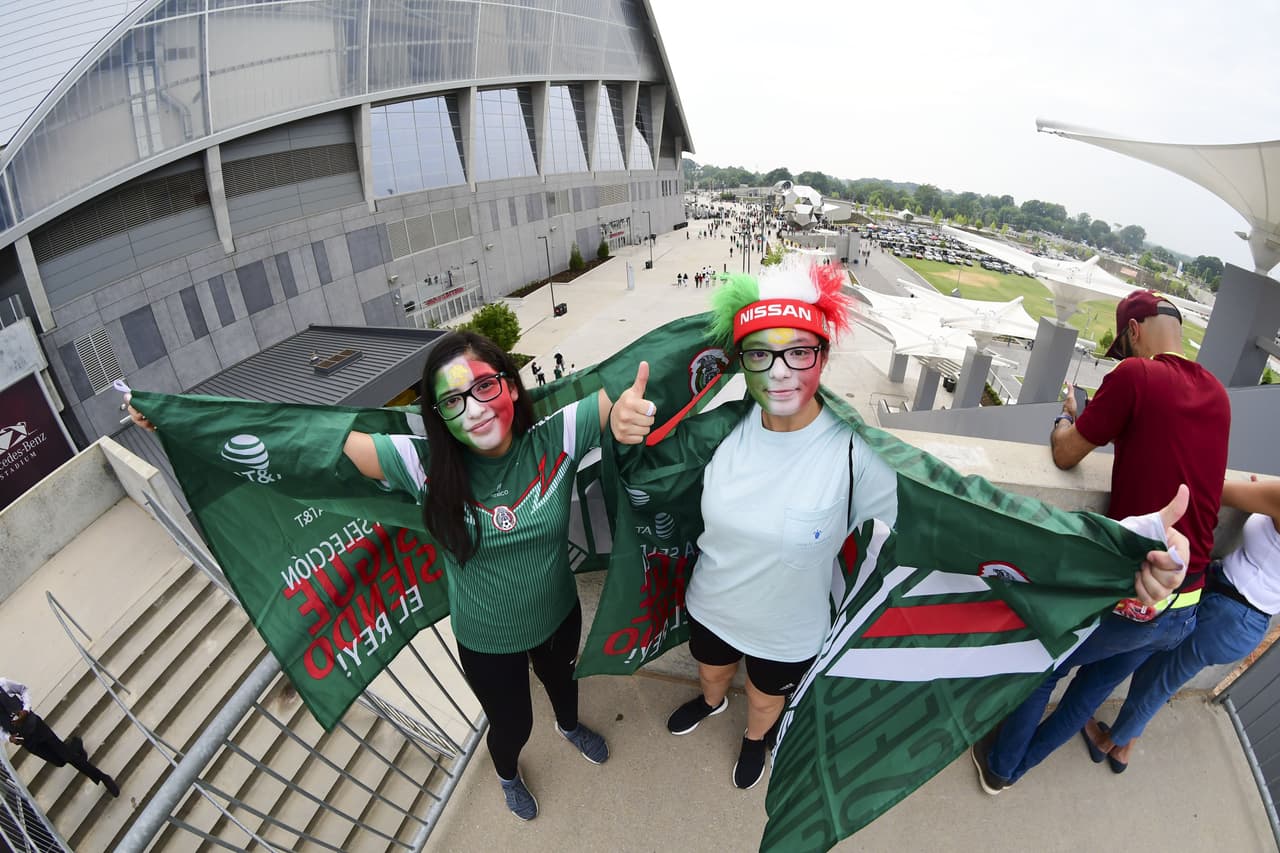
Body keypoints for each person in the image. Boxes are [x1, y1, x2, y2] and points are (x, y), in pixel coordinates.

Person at [609, 268, 1190, 792]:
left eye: (799, 353)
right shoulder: (718, 433)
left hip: (787, 630)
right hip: (713, 604)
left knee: (764, 698)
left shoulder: (856, 453)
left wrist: (1123, 546)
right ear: (741, 362)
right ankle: (710, 702)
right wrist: (621, 425)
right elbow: (643, 472)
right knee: (712, 671)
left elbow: (973, 514)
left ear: (823, 356)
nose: (780, 371)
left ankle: (754, 739)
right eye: (760, 354)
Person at [133, 331, 624, 822]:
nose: (473, 409)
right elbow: (302, 443)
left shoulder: (557, 437)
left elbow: (638, 378)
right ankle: (507, 774)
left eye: (483, 387)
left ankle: (568, 725)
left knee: (564, 682)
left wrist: (627, 414)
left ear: (511, 387)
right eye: (452, 400)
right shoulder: (421, 465)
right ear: (439, 417)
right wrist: (181, 423)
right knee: (512, 724)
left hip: (558, 613)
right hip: (488, 639)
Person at [973, 289, 1230, 794]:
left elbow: (1068, 454)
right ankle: (1015, 765)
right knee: (1088, 693)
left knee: (1044, 665)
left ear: (1134, 332)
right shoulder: (1218, 394)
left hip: (1139, 591)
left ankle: (1003, 767)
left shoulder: (1136, 375)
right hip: (1188, 601)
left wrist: (1065, 417)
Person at [1083, 474, 1280, 772]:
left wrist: (1258, 494)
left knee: (1157, 679)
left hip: (1228, 613)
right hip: (1246, 622)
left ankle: (1108, 743)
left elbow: (1214, 489)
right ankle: (1124, 747)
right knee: (1162, 675)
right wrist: (1259, 495)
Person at [0, 677, 119, 797]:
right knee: (59, 762)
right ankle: (75, 745)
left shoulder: (3, 683)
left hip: (36, 726)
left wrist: (26, 710)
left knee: (69, 758)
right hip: (26, 741)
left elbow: (23, 689)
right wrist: (8, 737)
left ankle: (103, 778)